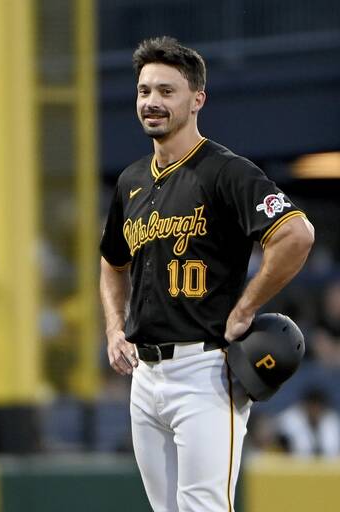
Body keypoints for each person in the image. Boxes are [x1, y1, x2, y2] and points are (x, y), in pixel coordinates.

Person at [99, 36, 315, 511]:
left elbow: (296, 235)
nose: (152, 102)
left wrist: (246, 306)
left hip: (206, 370)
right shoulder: (131, 181)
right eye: (144, 91)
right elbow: (112, 261)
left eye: (166, 91)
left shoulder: (226, 172)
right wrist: (114, 327)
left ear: (197, 99)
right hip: (145, 375)